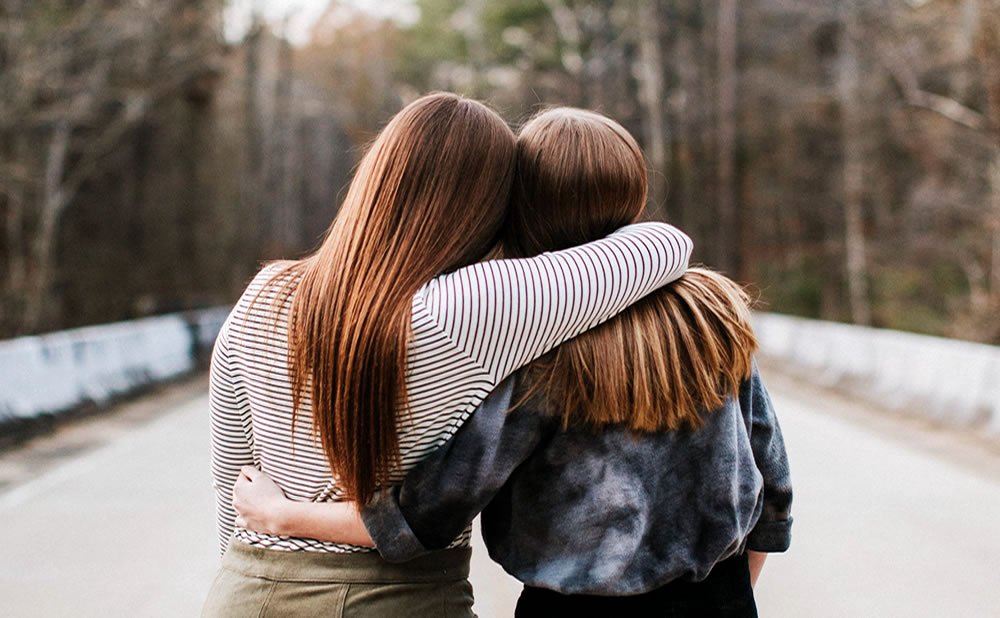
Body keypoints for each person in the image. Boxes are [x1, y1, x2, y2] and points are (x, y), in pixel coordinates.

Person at [232, 108, 793, 617]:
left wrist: (286, 517)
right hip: (718, 600)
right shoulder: (711, 311)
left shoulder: (539, 334)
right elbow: (770, 475)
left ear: (521, 204)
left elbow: (431, 511)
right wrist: (729, 593)